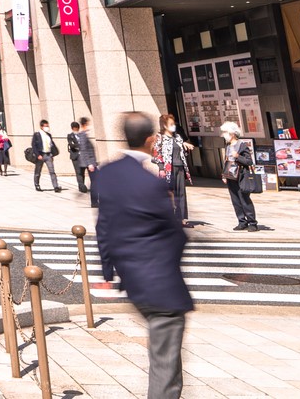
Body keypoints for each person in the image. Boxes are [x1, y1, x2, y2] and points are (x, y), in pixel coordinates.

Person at [96, 111, 191, 399]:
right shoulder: (151, 184)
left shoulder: (107, 173)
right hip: (159, 283)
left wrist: (108, 270)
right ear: (151, 139)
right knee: (165, 363)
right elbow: (177, 235)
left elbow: (104, 225)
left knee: (166, 357)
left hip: (132, 277)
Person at [220, 121, 262, 231]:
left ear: (232, 133)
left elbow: (249, 161)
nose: (223, 135)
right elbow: (227, 161)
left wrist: (238, 156)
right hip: (231, 176)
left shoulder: (242, 145)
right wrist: (224, 174)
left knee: (244, 199)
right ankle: (242, 221)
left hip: (242, 176)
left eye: (225, 132)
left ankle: (252, 222)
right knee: (235, 200)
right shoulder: (228, 146)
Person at [154, 114, 192, 225]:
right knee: (169, 193)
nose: (173, 126)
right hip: (168, 169)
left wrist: (186, 147)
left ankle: (181, 219)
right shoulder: (160, 137)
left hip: (180, 167)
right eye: (171, 124)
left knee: (181, 193)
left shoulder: (178, 137)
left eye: (173, 124)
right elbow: (157, 154)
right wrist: (161, 168)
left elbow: (183, 152)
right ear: (165, 126)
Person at [28, 120, 59, 193]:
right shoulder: (37, 134)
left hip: (48, 155)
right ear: (41, 126)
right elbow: (34, 145)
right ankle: (37, 184)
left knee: (52, 171)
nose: (47, 127)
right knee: (38, 171)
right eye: (45, 126)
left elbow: (51, 145)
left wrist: (52, 154)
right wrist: (37, 154)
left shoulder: (49, 135)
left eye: (47, 126)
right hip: (40, 155)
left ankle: (55, 186)